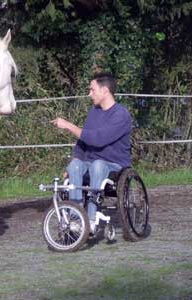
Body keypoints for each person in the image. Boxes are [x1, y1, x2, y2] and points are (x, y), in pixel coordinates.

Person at [50, 72, 132, 233]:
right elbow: (84, 141)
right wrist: (74, 161)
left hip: (114, 166)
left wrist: (69, 126)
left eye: (92, 90)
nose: (89, 94)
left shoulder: (121, 114)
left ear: (105, 90)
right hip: (91, 163)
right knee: (75, 165)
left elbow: (98, 139)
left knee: (98, 165)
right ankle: (76, 218)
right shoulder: (94, 112)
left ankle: (91, 219)